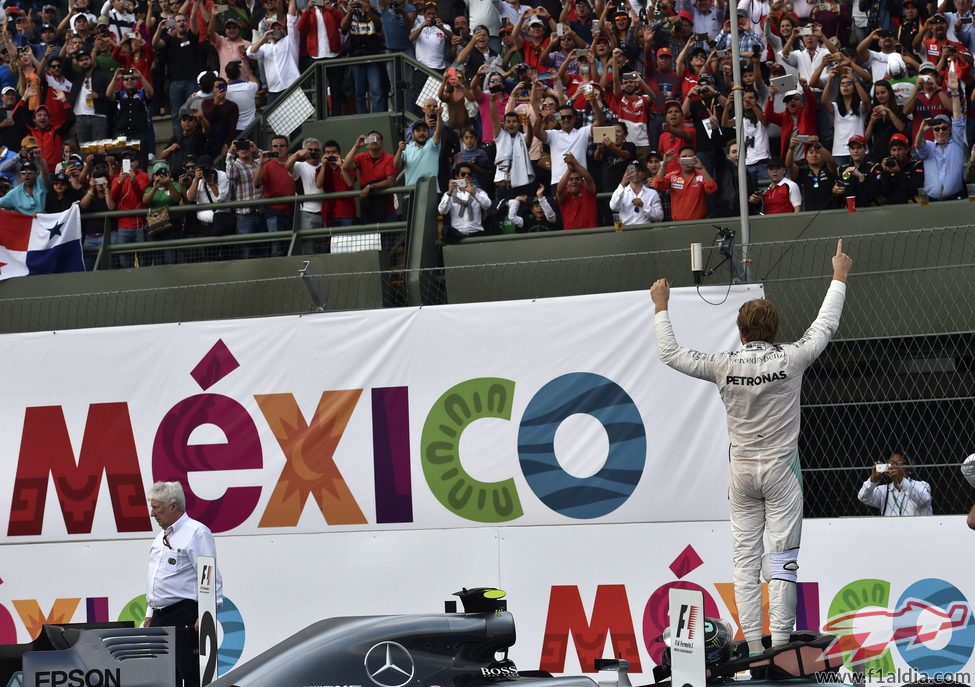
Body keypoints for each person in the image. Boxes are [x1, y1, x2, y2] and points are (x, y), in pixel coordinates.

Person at [650, 238, 853, 657]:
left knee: (745, 561)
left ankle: (755, 646)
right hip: (781, 475)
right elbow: (825, 325)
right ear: (773, 330)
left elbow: (669, 354)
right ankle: (779, 645)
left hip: (741, 473)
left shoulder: (723, 364)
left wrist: (661, 306)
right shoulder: (791, 357)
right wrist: (838, 276)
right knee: (781, 560)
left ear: (741, 332)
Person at [144, 481, 222, 687]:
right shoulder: (160, 536)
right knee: (164, 679)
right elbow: (155, 578)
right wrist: (150, 613)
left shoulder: (196, 532)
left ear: (173, 506)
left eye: (156, 508)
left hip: (185, 617)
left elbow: (209, 576)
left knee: (192, 676)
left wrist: (206, 613)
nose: (152, 514)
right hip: (160, 618)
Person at [915, 68, 965, 201]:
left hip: (955, 199)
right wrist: (921, 131)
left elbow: (958, 118)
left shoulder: (957, 143)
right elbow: (919, 145)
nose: (941, 131)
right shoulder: (929, 146)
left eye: (944, 128)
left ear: (950, 129)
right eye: (937, 129)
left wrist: (954, 92)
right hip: (931, 201)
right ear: (933, 131)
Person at [246, 0, 299, 105]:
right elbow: (250, 53)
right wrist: (263, 38)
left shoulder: (291, 41)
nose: (276, 30)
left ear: (284, 30)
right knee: (273, 121)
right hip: (273, 92)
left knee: (299, 121)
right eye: (273, 28)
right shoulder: (265, 48)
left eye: (278, 28)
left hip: (292, 87)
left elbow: (291, 20)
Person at [652, 146, 717, 221]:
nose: (687, 160)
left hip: (699, 223)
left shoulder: (702, 175)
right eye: (684, 157)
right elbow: (657, 184)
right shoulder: (672, 176)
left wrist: (702, 168)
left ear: (695, 159)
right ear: (679, 160)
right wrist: (664, 164)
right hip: (678, 224)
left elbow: (712, 189)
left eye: (690, 157)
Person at [859, 452, 933, 516]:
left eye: (898, 463)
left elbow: (923, 500)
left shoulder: (922, 485)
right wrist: (873, 480)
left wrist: (901, 481)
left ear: (908, 467)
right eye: (891, 463)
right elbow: (862, 497)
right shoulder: (883, 490)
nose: (893, 466)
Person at [437, 162, 491, 239]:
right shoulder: (449, 194)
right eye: (463, 174)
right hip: (457, 235)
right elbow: (442, 211)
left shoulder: (479, 192)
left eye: (469, 174)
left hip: (476, 233)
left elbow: (487, 205)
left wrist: (473, 193)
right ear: (457, 176)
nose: (466, 176)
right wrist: (449, 192)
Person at [556, 153, 597, 230]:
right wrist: (569, 170)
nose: (574, 181)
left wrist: (575, 163)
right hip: (571, 237)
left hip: (590, 235)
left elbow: (588, 179)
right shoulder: (564, 196)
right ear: (566, 182)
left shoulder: (588, 192)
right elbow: (559, 189)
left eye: (577, 179)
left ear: (582, 181)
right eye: (570, 179)